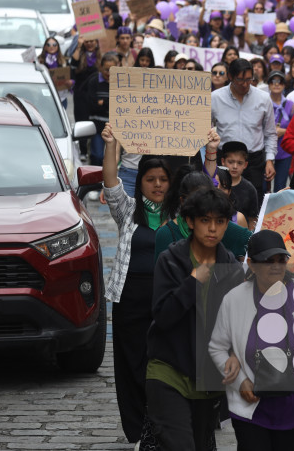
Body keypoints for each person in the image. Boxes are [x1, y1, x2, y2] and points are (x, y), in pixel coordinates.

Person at [208, 230, 294, 451]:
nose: (276, 266)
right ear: (252, 264)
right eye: (268, 261)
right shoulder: (234, 299)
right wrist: (239, 381)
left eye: (281, 260)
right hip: (251, 406)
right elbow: (217, 347)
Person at [145, 187, 246, 451]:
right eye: (205, 220)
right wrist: (192, 282)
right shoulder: (171, 261)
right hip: (169, 371)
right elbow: (163, 316)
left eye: (220, 222)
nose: (212, 229)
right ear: (190, 222)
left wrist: (235, 354)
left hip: (209, 380)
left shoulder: (233, 270)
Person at [101, 123, 173, 447]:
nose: (157, 185)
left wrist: (210, 154)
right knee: (132, 364)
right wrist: (111, 144)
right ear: (140, 182)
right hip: (130, 301)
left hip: (167, 301)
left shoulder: (181, 214)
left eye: (163, 179)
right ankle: (138, 430)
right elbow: (111, 182)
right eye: (150, 179)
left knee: (162, 365)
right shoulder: (128, 210)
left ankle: (161, 424)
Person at [211, 58, 277, 204]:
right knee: (221, 202)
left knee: (254, 202)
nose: (245, 84)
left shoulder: (263, 98)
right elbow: (205, 130)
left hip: (253, 161)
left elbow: (270, 133)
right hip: (224, 160)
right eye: (240, 80)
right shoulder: (215, 98)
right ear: (230, 77)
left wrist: (270, 160)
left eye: (249, 79)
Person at [219, 141, 260, 229]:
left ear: (245, 165)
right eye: (230, 162)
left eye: (239, 163)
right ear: (223, 161)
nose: (235, 166)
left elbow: (252, 219)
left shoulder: (250, 189)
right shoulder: (215, 184)